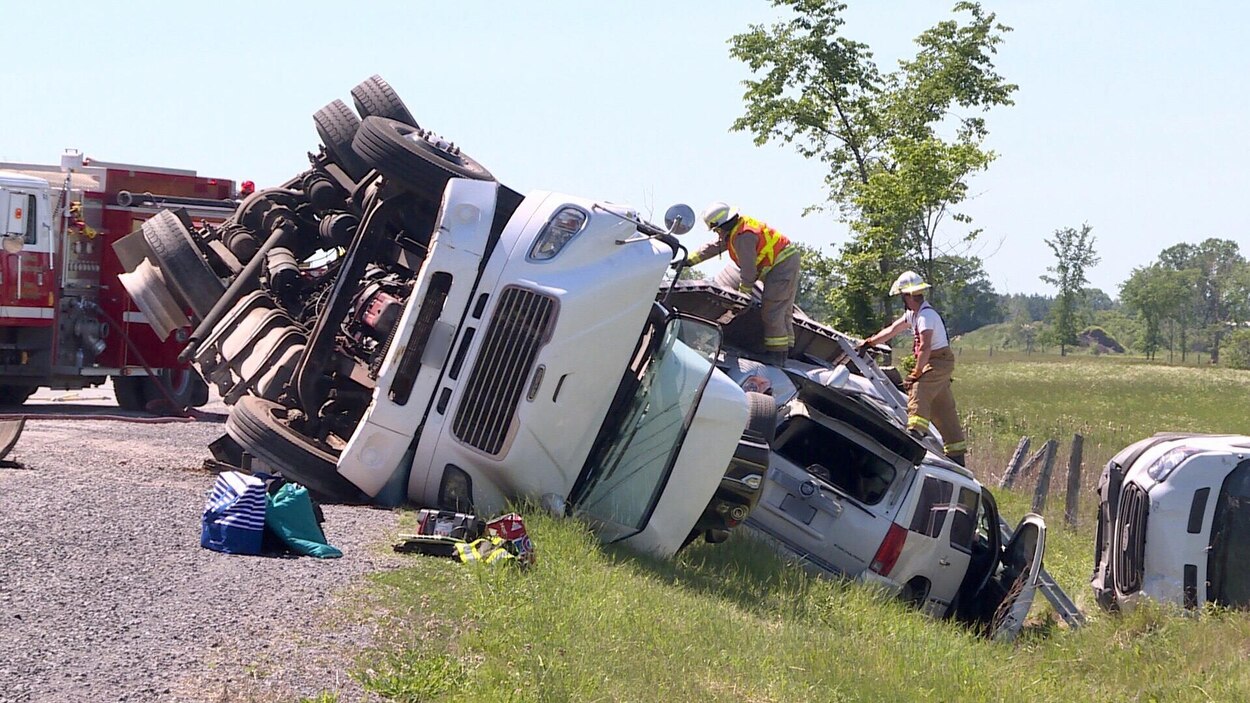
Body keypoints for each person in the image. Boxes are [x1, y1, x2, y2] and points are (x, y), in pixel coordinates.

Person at [857, 271, 968, 467]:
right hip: (933, 360)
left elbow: (925, 347)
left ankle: (915, 433)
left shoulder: (926, 316)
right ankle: (956, 452)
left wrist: (917, 372)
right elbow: (893, 329)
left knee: (919, 387)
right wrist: (870, 342)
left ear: (908, 296)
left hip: (938, 361)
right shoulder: (913, 314)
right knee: (942, 407)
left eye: (903, 296)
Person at [687, 201, 801, 366]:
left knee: (772, 309)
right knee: (783, 310)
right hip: (785, 261)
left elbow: (748, 270)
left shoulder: (743, 236)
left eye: (716, 229)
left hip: (782, 265)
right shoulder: (738, 229)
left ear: (722, 225)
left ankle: (777, 357)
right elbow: (714, 247)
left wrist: (743, 295)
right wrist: (689, 261)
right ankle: (785, 353)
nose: (717, 233)